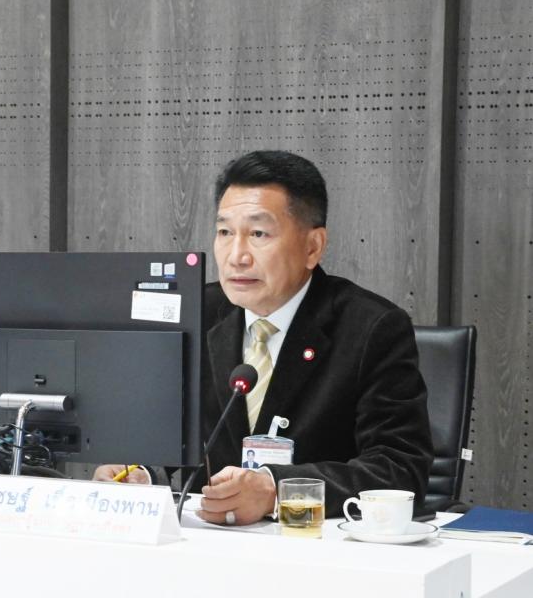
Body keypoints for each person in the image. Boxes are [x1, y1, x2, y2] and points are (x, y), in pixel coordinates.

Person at [96, 150, 433, 526]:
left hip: (318, 545)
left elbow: (399, 468)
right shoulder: (195, 313)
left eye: (258, 234)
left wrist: (277, 490)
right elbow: (167, 434)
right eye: (225, 232)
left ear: (312, 247)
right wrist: (139, 471)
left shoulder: (372, 328)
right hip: (208, 540)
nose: (236, 256)